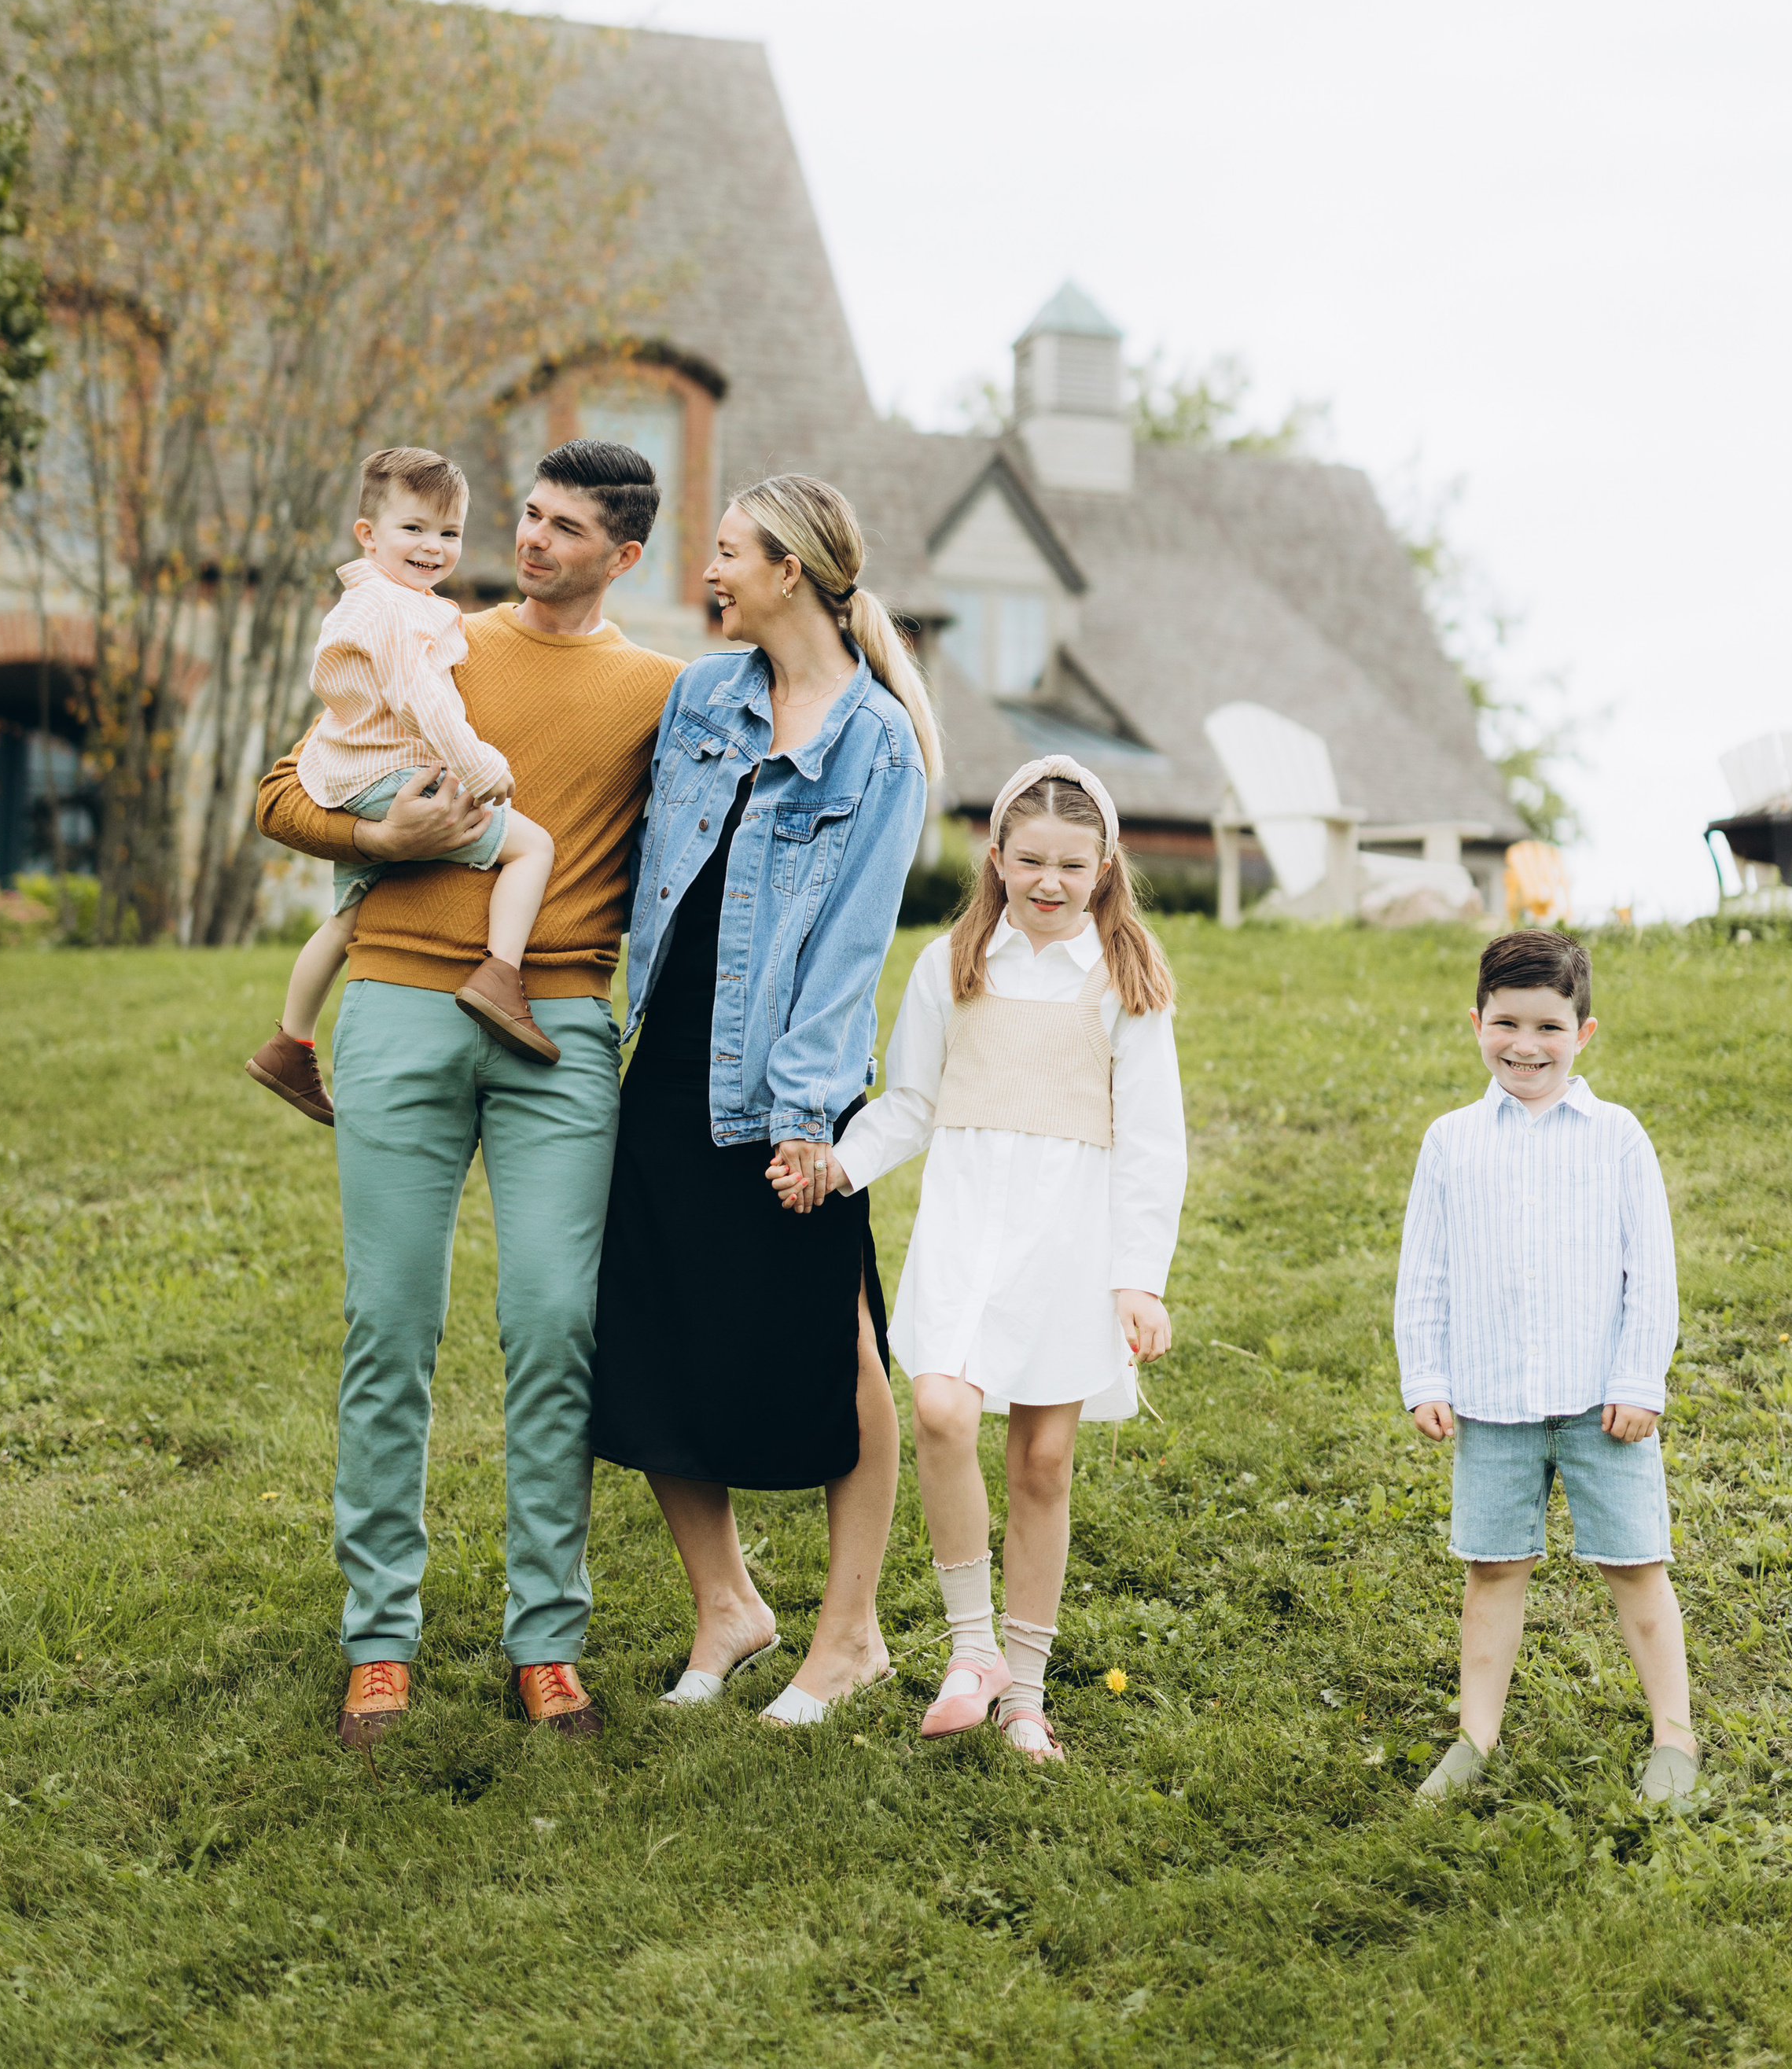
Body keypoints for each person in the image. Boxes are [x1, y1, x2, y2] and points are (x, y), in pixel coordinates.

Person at [254, 439, 681, 1751]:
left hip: (559, 1024)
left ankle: (545, 1640)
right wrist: (373, 838)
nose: (532, 542)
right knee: (391, 1323)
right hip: (394, 1007)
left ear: (625, 556)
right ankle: (378, 1639)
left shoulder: (665, 692)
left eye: (566, 529)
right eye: (530, 518)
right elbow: (283, 793)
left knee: (555, 1323)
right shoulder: (432, 636)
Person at [591, 474, 937, 1727]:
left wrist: (805, 1121)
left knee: (838, 1347)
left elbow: (850, 946)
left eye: (729, 553)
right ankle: (727, 1605)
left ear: (791, 569)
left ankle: (850, 1638)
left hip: (786, 1084)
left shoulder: (878, 743)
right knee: (646, 1330)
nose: (711, 572)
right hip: (664, 1057)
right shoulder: (701, 697)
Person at [818, 757, 1183, 1762]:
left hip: (1070, 1238)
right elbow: (911, 1104)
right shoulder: (952, 962)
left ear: (1105, 865)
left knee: (1043, 1460)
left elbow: (1153, 1138)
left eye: (1072, 865)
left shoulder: (1125, 976)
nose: (1050, 882)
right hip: (969, 1224)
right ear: (998, 857)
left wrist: (1137, 1277)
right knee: (940, 1406)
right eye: (1031, 861)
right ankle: (969, 1647)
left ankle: (1024, 1691)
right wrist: (838, 1166)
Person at [1394, 928, 1694, 1806]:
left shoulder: (1616, 1137)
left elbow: (1653, 1271)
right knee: (1492, 1569)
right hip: (1490, 1402)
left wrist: (1640, 1382)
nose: (1525, 1046)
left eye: (1548, 1028)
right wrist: (1428, 1377)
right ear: (1476, 1022)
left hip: (1604, 1405)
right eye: (1506, 1024)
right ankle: (1474, 1737)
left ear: (1584, 1033)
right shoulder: (1450, 1142)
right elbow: (1427, 1270)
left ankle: (1673, 1734)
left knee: (1636, 1565)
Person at [247, 447, 561, 1126]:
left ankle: (289, 1043)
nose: (433, 547)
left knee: (348, 919)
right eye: (413, 529)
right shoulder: (396, 610)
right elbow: (422, 696)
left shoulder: (372, 600)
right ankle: (501, 976)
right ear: (368, 535)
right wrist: (478, 767)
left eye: (449, 534)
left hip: (348, 776)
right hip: (394, 777)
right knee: (533, 848)